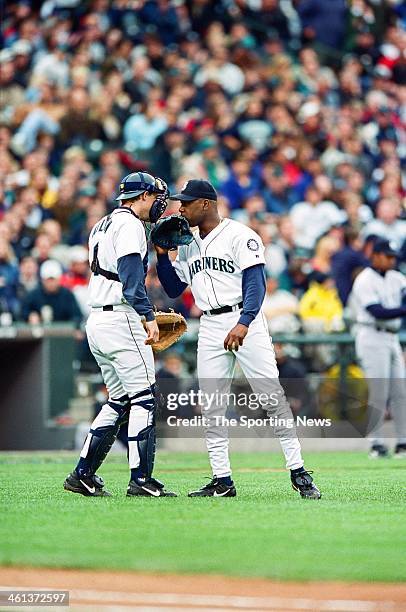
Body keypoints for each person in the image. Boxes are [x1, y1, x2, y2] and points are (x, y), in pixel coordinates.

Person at [155, 179, 321, 499]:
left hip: (245, 319)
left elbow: (256, 284)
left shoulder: (240, 235)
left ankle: (299, 472)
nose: (180, 209)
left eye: (186, 203)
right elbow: (175, 289)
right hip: (211, 323)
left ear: (206, 204)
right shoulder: (188, 242)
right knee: (212, 405)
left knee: (271, 397)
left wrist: (244, 322)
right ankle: (222, 479)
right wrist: (162, 255)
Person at [64, 172, 177, 498]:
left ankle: (82, 474)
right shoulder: (130, 226)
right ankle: (141, 479)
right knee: (143, 398)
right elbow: (131, 281)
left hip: (98, 320)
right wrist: (147, 315)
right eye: (155, 197)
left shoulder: (103, 224)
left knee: (120, 400)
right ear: (142, 196)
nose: (158, 204)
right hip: (121, 317)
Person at [351, 238, 406, 458]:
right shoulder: (364, 279)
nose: (392, 260)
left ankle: (402, 442)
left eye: (393, 257)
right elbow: (377, 311)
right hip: (371, 335)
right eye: (388, 256)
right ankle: (376, 443)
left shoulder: (396, 277)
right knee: (379, 391)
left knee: (400, 392)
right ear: (375, 256)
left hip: (392, 337)